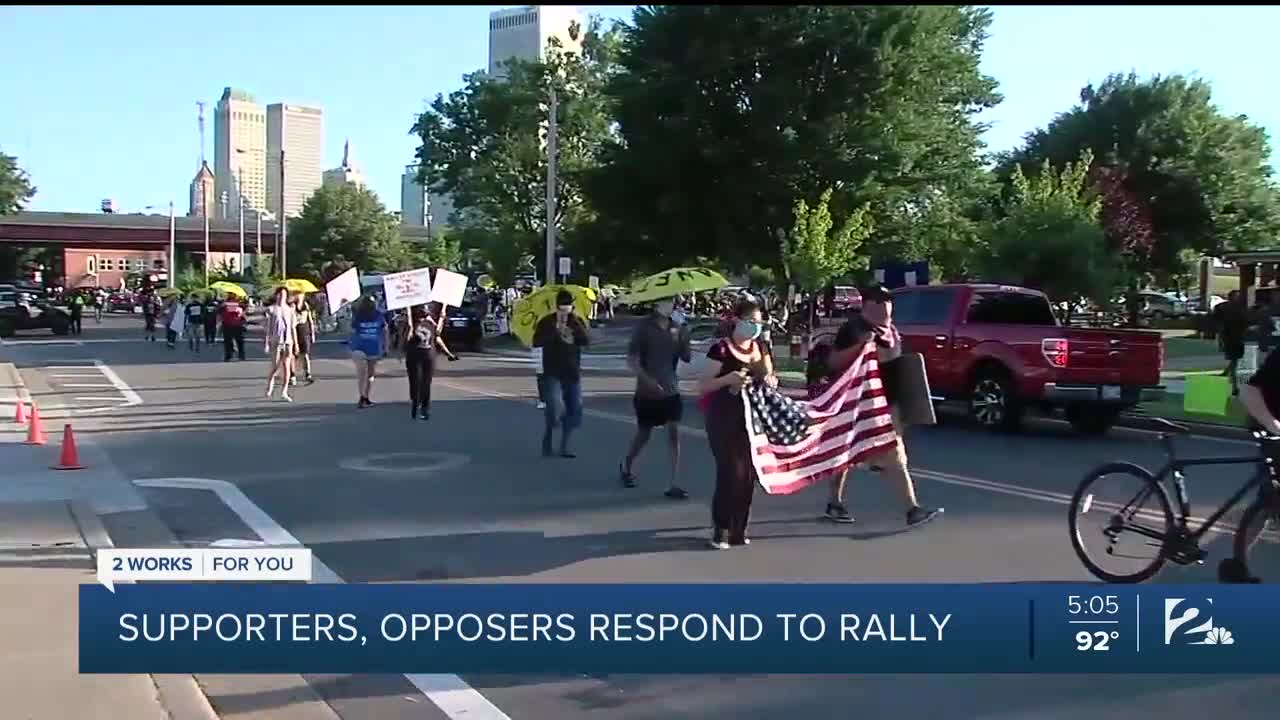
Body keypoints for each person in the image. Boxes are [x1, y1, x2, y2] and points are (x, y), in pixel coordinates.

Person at [822, 285, 942, 527]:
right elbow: (833, 362)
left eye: (887, 300)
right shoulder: (854, 329)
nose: (886, 305)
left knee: (869, 453)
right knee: (856, 455)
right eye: (879, 301)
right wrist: (861, 346)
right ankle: (910, 509)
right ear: (868, 305)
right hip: (861, 403)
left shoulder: (892, 331)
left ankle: (837, 502)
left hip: (889, 403)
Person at [698, 298, 776, 549]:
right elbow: (703, 385)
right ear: (736, 321)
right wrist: (727, 380)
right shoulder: (721, 349)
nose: (754, 326)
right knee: (731, 472)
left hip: (752, 418)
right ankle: (720, 528)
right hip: (723, 416)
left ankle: (738, 529)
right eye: (749, 321)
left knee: (749, 474)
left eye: (758, 322)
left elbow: (769, 374)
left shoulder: (761, 347)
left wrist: (770, 379)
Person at [620, 296, 692, 498]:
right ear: (656, 304)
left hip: (671, 388)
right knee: (644, 434)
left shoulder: (676, 327)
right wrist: (647, 380)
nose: (670, 306)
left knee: (674, 433)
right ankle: (627, 466)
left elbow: (686, 357)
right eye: (666, 302)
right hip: (647, 392)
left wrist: (684, 336)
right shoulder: (644, 327)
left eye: (672, 302)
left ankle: (674, 482)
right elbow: (632, 360)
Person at [1220, 343, 1280, 583]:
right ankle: (1237, 566)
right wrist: (1273, 425)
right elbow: (1248, 390)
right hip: (1271, 432)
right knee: (1267, 500)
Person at [533, 290, 589, 457]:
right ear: (556, 307)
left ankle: (565, 445)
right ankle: (548, 435)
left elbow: (585, 341)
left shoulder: (576, 321)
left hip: (572, 371)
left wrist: (575, 326)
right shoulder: (546, 322)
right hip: (552, 371)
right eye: (561, 309)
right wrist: (554, 332)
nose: (565, 312)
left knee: (575, 409)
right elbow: (536, 342)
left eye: (568, 308)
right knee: (554, 409)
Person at [404, 302, 458, 420]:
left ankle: (416, 401)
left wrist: (408, 309)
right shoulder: (431, 324)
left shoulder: (413, 326)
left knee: (415, 380)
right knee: (426, 382)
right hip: (429, 354)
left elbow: (408, 330)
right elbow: (438, 336)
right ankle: (424, 407)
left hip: (414, 355)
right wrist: (443, 310)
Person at [348, 295, 387, 408]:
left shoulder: (375, 315)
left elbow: (385, 329)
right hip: (365, 348)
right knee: (365, 374)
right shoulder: (362, 316)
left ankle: (364, 397)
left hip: (366, 348)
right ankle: (363, 397)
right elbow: (385, 331)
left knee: (367, 375)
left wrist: (386, 346)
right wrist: (385, 347)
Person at [263, 287, 297, 402]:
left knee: (287, 367)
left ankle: (284, 391)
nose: (282, 296)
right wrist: (267, 343)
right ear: (276, 295)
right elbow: (268, 328)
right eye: (280, 294)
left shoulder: (290, 310)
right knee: (275, 366)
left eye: (284, 294)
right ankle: (270, 385)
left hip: (288, 341)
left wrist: (295, 343)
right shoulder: (272, 309)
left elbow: (293, 327)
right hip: (276, 341)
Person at [1218, 290, 1248, 395]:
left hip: (1232, 338)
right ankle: (1234, 387)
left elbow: (1220, 324)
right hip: (1235, 338)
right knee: (1235, 361)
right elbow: (1245, 322)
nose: (1238, 298)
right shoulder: (1238, 309)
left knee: (1234, 360)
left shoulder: (1224, 308)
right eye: (1237, 296)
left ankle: (1225, 373)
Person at [292, 292, 317, 386]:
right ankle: (292, 375)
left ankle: (308, 374)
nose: (299, 296)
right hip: (295, 330)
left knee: (305, 354)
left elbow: (310, 320)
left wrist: (312, 333)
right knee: (294, 355)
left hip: (304, 330)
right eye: (297, 294)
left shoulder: (305, 305)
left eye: (301, 294)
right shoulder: (292, 306)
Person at [219, 294, 247, 361]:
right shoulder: (239, 305)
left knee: (228, 342)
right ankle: (241, 355)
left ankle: (228, 356)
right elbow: (243, 312)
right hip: (238, 325)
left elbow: (219, 312)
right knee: (240, 341)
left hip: (227, 325)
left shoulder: (224, 305)